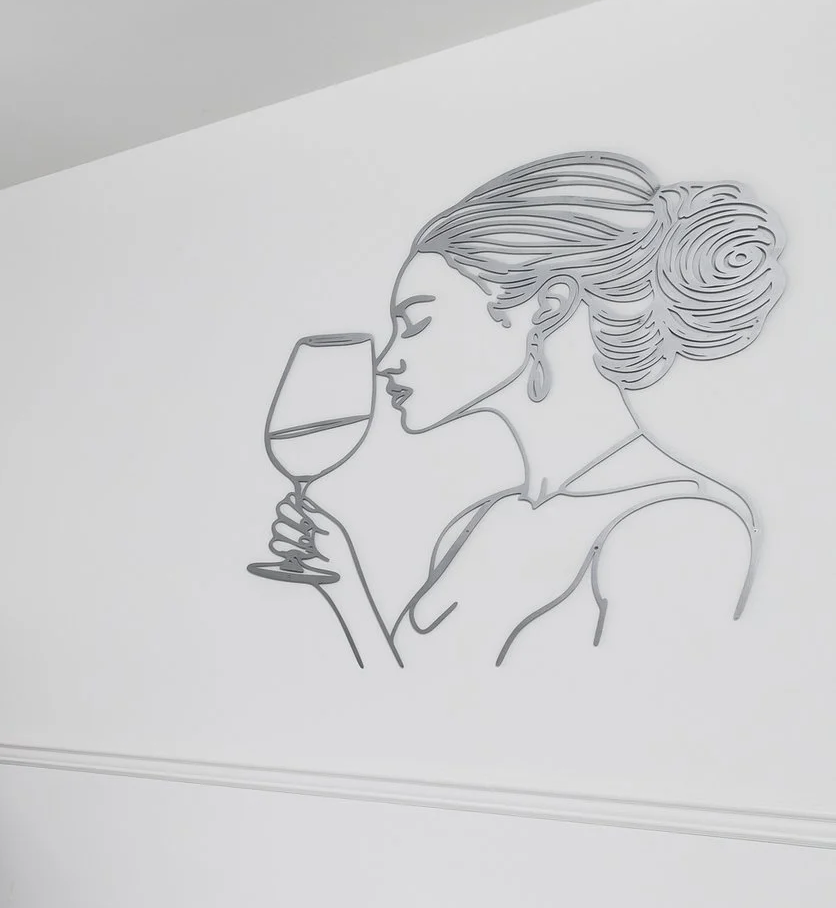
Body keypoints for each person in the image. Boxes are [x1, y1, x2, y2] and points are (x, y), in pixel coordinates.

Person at [269, 152, 786, 666]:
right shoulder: (479, 522)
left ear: (548, 307)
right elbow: (416, 716)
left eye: (417, 324)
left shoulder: (684, 523)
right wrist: (344, 587)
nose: (385, 361)